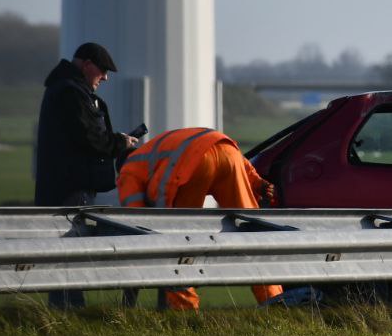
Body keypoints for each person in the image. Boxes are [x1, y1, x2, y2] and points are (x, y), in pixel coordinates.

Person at [117, 127, 284, 309]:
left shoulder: (129, 168)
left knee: (179, 245)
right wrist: (257, 182)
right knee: (252, 236)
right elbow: (223, 153)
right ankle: (274, 302)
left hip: (193, 165)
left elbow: (136, 219)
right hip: (227, 151)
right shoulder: (159, 147)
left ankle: (185, 311)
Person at [34, 41, 139, 307]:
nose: (104, 78)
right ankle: (70, 306)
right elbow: (90, 138)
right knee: (72, 248)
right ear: (88, 65)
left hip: (59, 183)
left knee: (65, 250)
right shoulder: (72, 93)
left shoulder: (62, 88)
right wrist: (120, 143)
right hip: (72, 186)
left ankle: (66, 304)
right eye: (102, 70)